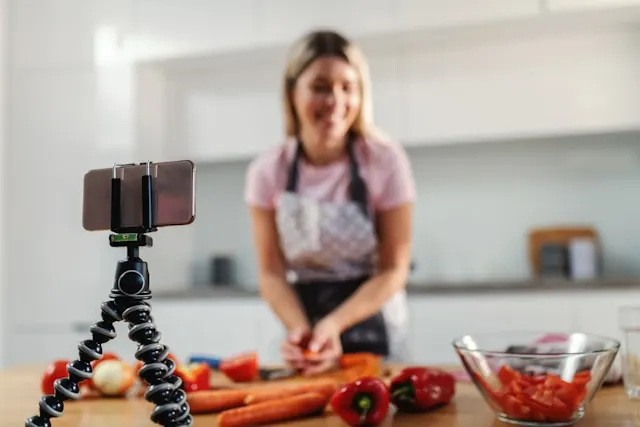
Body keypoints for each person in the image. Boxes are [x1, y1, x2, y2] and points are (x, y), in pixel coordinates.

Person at [244, 29, 416, 376]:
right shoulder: (267, 170)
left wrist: (333, 325)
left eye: (347, 87)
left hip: (374, 320)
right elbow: (271, 272)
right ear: (293, 92)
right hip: (303, 318)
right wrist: (301, 332)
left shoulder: (384, 160)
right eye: (320, 87)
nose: (335, 101)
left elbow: (393, 269)